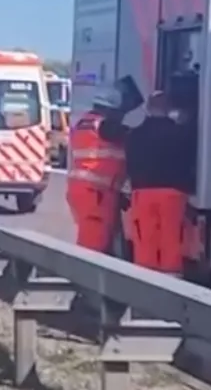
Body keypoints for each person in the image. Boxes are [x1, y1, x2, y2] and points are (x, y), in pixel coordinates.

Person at [123, 90, 197, 276]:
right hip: (174, 193)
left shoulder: (135, 135)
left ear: (148, 108)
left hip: (143, 193)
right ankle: (172, 278)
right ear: (169, 108)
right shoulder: (182, 134)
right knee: (172, 237)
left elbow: (129, 164)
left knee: (145, 238)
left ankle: (146, 278)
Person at [65, 88, 127, 254]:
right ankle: (84, 278)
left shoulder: (84, 122)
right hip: (96, 193)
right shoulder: (105, 125)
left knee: (95, 238)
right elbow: (128, 134)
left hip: (85, 190)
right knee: (93, 246)